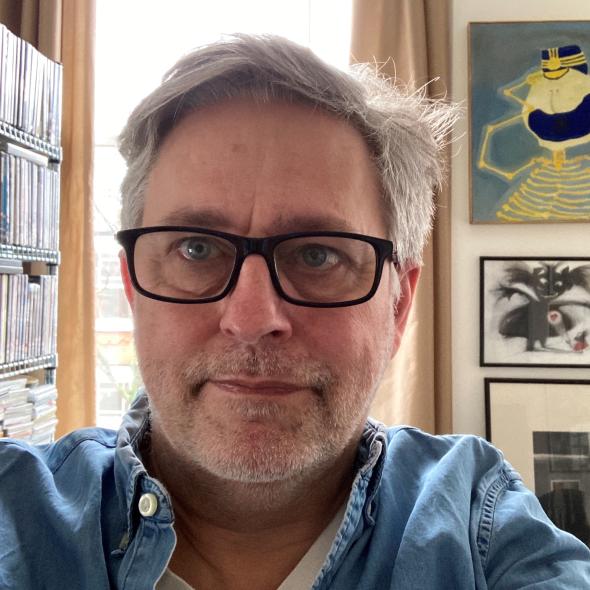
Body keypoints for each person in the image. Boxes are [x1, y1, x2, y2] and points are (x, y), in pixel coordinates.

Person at [1, 34, 589, 590]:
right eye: (196, 248)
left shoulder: (478, 529)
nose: (252, 318)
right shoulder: (16, 515)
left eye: (318, 254)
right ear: (132, 287)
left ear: (399, 305)